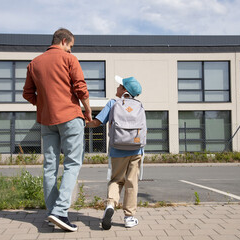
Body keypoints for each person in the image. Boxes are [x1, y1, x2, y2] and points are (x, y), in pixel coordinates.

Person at [23, 28, 92, 232]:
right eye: (70, 46)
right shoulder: (69, 60)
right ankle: (60, 211)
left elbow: (27, 93)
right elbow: (80, 87)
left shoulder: (34, 63)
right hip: (70, 116)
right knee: (72, 163)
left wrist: (45, 105)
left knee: (49, 168)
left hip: (47, 120)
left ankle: (52, 211)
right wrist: (88, 112)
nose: (70, 50)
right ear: (64, 41)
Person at [86, 75, 143, 230]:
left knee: (116, 180)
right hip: (136, 149)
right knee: (132, 183)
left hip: (118, 149)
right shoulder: (139, 105)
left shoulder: (113, 103)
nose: (117, 87)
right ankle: (129, 218)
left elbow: (96, 122)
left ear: (125, 90)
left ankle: (110, 205)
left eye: (119, 85)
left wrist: (83, 123)